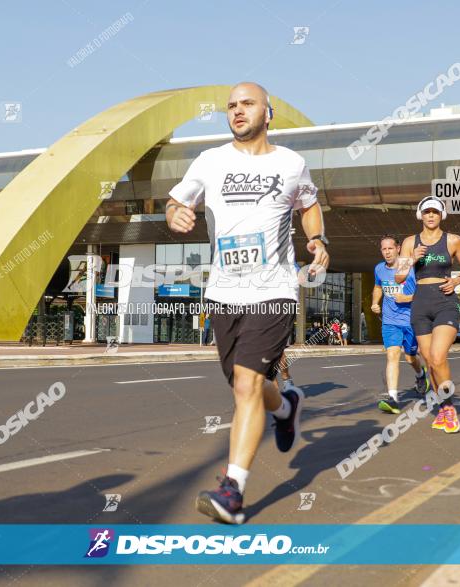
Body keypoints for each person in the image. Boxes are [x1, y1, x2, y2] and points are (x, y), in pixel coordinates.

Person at [166, 82, 327, 524]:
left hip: (273, 290)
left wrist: (317, 239)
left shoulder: (291, 163)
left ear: (268, 113)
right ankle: (287, 405)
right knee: (247, 385)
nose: (237, 111)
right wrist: (175, 213)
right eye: (231, 106)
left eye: (247, 104)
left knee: (245, 386)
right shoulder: (210, 161)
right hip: (223, 292)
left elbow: (310, 205)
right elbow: (176, 201)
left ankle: (231, 492)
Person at [396, 196, 460, 434]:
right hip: (420, 304)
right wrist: (411, 259)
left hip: (445, 302)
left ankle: (449, 408)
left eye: (435, 212)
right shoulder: (410, 242)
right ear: (421, 215)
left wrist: (458, 279)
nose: (431, 216)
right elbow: (399, 277)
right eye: (427, 212)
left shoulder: (453, 240)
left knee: (438, 357)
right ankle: (443, 407)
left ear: (441, 215)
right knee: (429, 361)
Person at [371, 234, 430, 414]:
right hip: (390, 321)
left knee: (410, 357)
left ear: (398, 249)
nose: (387, 252)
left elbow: (427, 293)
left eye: (390, 248)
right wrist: (375, 302)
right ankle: (393, 399)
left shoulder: (411, 268)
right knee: (392, 355)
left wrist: (407, 298)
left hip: (411, 320)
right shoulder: (379, 269)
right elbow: (378, 286)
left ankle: (421, 376)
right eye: (384, 249)